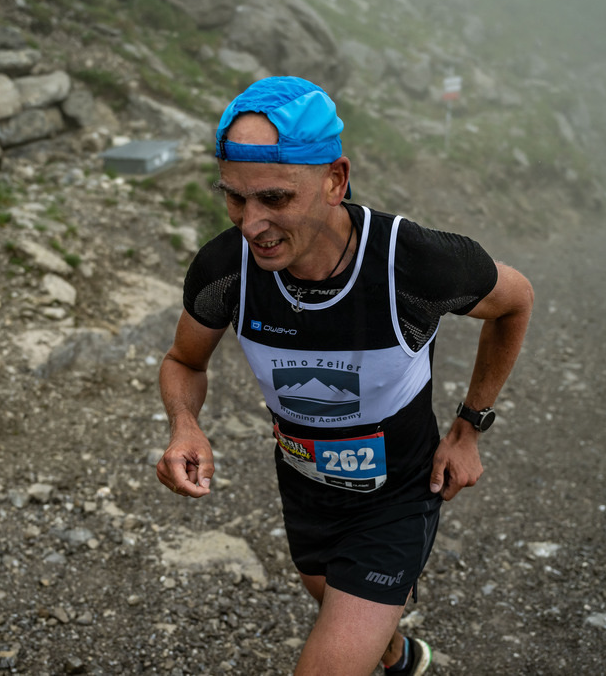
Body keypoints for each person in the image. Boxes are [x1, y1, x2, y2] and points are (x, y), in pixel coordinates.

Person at [156, 76, 534, 676]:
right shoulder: (226, 269)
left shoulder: (411, 262)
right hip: (304, 485)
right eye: (234, 198)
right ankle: (401, 656)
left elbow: (516, 301)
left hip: (399, 497)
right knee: (335, 599)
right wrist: (184, 425)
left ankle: (381, 611)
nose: (251, 224)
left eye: (275, 199)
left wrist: (469, 427)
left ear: (335, 180)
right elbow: (183, 361)